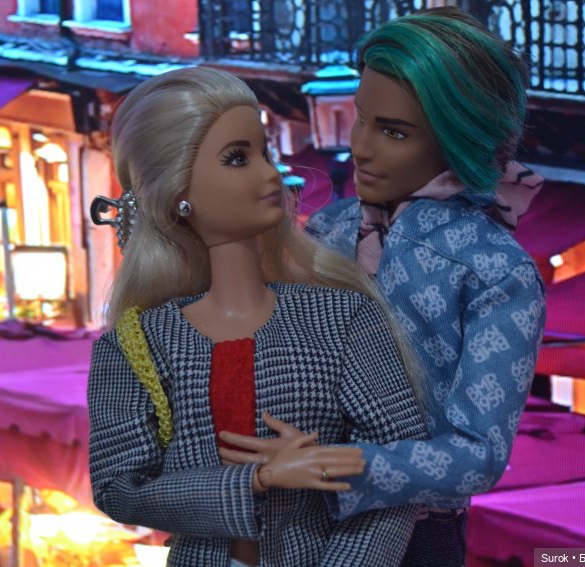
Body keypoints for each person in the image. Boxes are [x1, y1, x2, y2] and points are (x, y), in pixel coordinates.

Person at [218, 8, 547, 566]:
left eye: (394, 132)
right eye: (361, 118)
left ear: (456, 138)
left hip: (413, 539)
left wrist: (332, 465)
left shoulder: (495, 271)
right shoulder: (329, 229)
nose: (361, 148)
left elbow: (478, 456)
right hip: (284, 521)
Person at [87, 66, 429, 567]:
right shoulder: (135, 347)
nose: (270, 174)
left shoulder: (341, 318)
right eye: (237, 158)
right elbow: (120, 489)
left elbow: (400, 471)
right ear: (179, 193)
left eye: (265, 154)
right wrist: (257, 480)